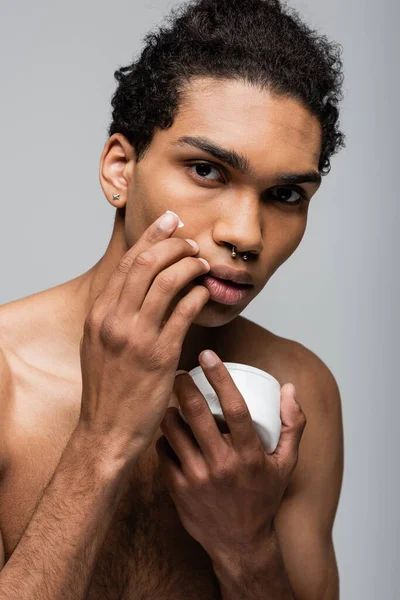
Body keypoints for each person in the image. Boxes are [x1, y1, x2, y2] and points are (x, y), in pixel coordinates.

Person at [0, 0, 345, 597]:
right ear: (119, 170)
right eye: (207, 171)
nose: (246, 234)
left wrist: (246, 548)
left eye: (286, 194)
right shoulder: (7, 376)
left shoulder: (299, 389)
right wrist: (102, 441)